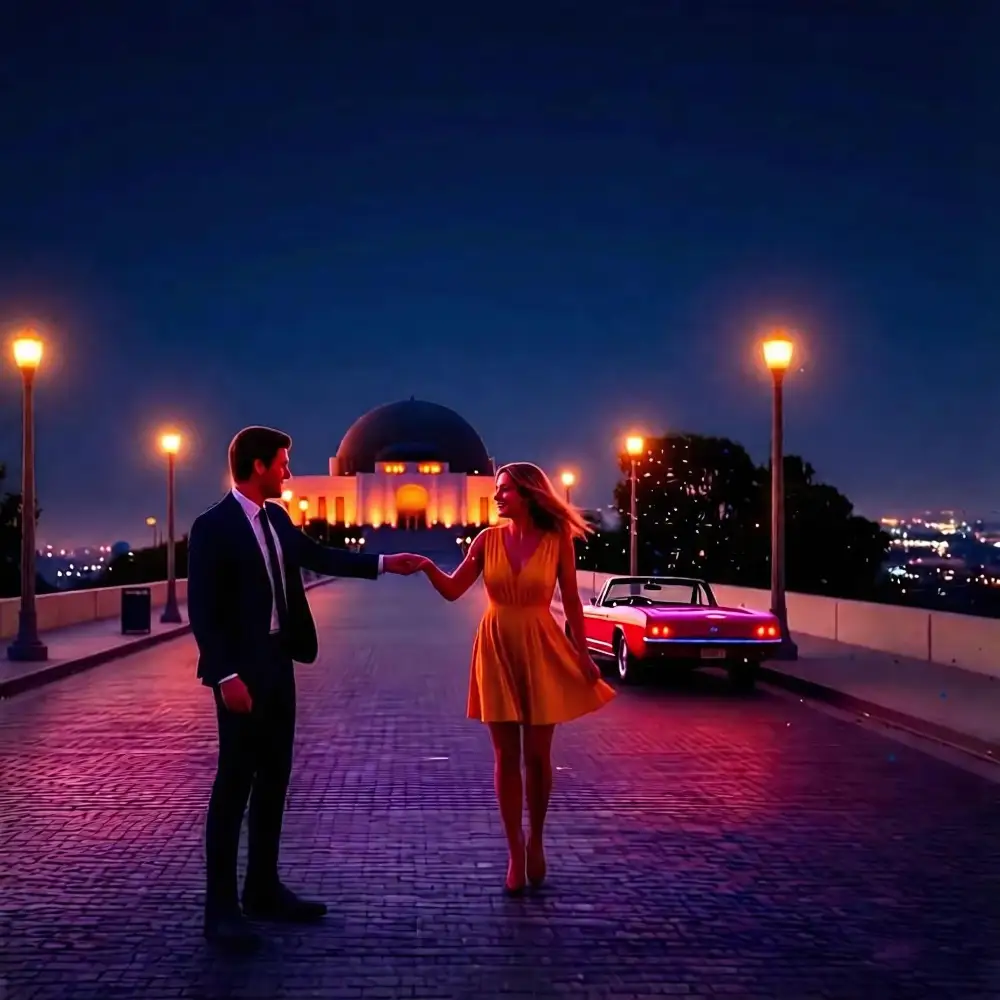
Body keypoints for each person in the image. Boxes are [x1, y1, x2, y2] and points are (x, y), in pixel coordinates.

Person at [188, 425, 424, 951]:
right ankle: (220, 910)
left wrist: (386, 563)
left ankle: (262, 888)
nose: (289, 472)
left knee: (275, 779)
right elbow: (203, 610)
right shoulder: (213, 527)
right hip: (241, 674)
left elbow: (319, 556)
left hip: (279, 664)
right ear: (258, 466)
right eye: (282, 463)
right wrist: (225, 676)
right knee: (234, 786)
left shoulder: (276, 518)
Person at [416, 462, 616, 894]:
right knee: (506, 756)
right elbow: (453, 590)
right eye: (496, 488)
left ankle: (537, 839)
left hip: (541, 645)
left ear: (528, 493)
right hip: (496, 646)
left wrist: (583, 654)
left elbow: (572, 601)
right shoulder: (486, 541)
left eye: (505, 489)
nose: (497, 496)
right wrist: (427, 567)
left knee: (538, 757)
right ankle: (514, 852)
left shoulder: (557, 540)